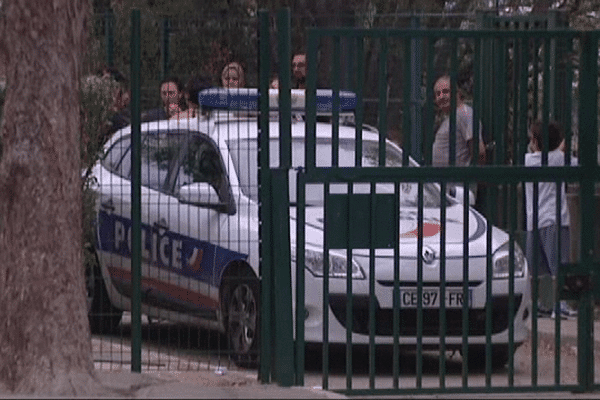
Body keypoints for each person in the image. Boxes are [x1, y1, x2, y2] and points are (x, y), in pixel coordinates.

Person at [525, 120, 578, 319]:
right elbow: (577, 165)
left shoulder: (528, 160)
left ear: (537, 143)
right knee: (559, 265)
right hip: (554, 219)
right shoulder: (558, 159)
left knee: (534, 268)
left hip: (533, 221)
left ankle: (535, 303)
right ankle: (561, 303)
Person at [431, 75, 486, 201]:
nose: (441, 97)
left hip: (458, 192)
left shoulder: (465, 114)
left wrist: (470, 180)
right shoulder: (451, 117)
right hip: (448, 190)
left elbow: (479, 151)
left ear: (458, 93)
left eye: (445, 92)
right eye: (437, 94)